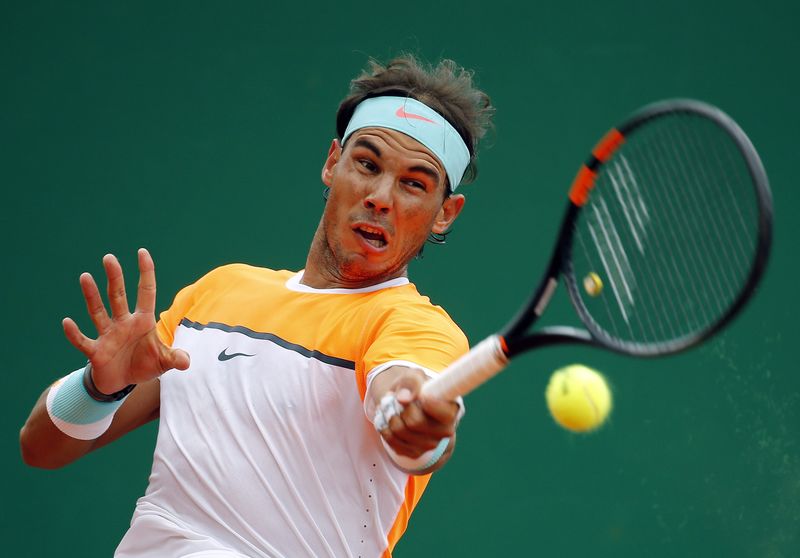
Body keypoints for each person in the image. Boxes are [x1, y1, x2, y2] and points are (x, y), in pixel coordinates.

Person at [20, 54, 494, 557]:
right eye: (367, 164)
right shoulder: (220, 292)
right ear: (333, 162)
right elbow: (41, 448)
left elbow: (404, 399)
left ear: (446, 213)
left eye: (413, 184)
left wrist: (418, 422)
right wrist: (98, 387)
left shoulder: (415, 326)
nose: (380, 196)